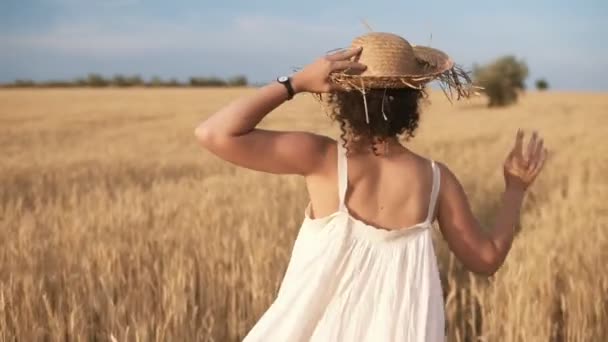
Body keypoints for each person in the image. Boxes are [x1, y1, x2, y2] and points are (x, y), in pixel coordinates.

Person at [195, 32, 547, 342]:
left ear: (341, 97)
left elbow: (213, 133)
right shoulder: (436, 179)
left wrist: (296, 82)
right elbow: (486, 259)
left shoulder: (321, 159)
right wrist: (515, 190)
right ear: (412, 102)